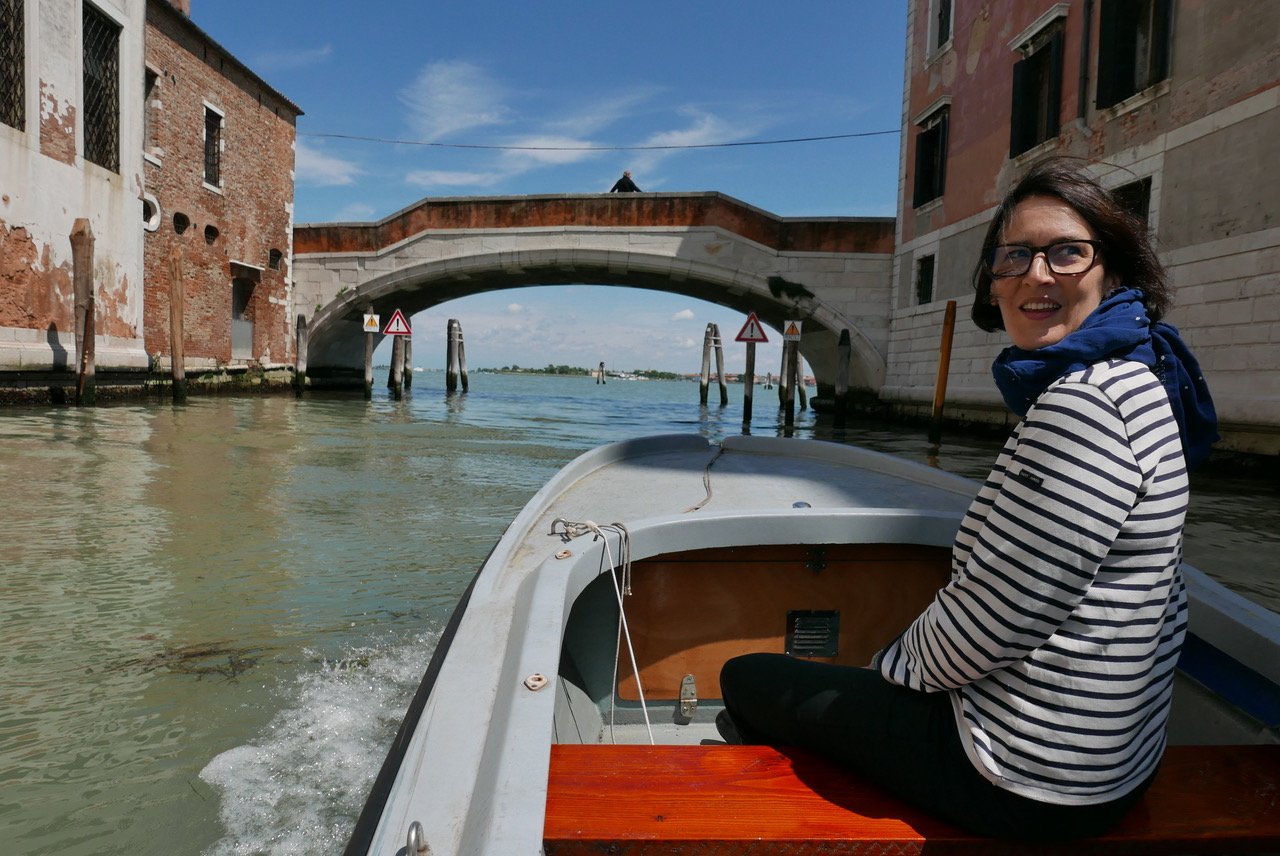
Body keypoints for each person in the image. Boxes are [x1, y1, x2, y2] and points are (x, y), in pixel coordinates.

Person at [718, 158, 1219, 841]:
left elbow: (998, 620)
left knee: (746, 677)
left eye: (1066, 252)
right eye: (1015, 256)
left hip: (1023, 778)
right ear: (994, 277)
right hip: (1114, 766)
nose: (1035, 275)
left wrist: (887, 671)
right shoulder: (1146, 382)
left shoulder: (1083, 408)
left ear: (1114, 271)